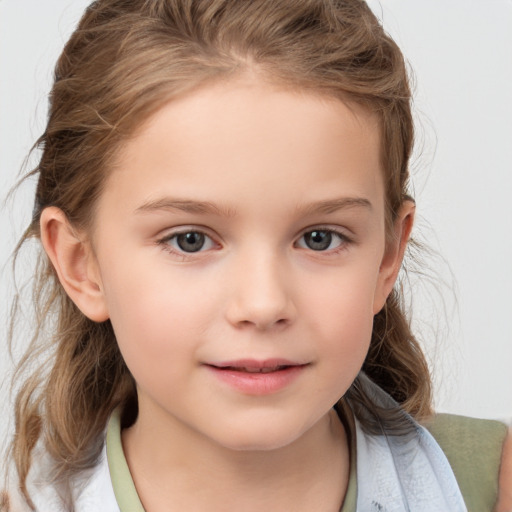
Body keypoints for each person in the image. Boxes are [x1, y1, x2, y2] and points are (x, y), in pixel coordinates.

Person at [2, 0, 510, 510]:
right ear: (81, 265)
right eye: (190, 240)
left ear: (386, 256)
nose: (263, 305)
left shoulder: (489, 485)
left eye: (320, 238)